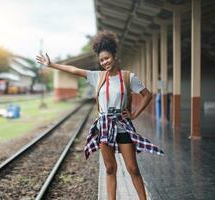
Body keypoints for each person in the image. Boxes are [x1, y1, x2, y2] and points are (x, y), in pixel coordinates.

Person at [36, 30, 164, 200]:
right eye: (101, 59)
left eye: (107, 58)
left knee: (132, 168)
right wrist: (52, 65)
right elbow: (74, 69)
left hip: (123, 125)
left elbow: (147, 95)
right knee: (110, 169)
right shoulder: (97, 77)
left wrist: (134, 114)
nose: (104, 62)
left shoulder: (128, 77)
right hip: (103, 126)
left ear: (114, 56)